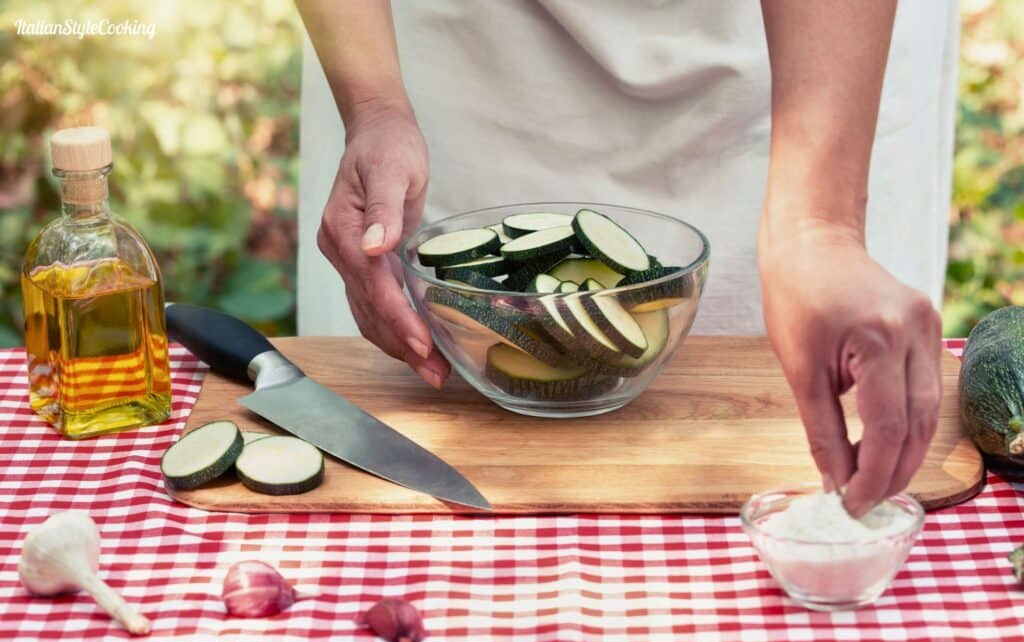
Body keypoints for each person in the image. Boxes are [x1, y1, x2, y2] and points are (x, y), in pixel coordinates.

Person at [294, 0, 957, 516]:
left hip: (807, 53)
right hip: (448, 47)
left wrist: (820, 224)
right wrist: (375, 106)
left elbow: (819, 231)